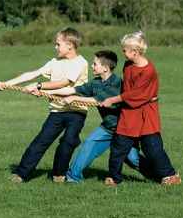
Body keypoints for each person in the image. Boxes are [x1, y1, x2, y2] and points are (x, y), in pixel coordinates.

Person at [0, 26, 88, 183]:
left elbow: (63, 83)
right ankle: (21, 174)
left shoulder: (80, 63)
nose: (55, 47)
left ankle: (59, 173)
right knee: (41, 140)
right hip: (57, 111)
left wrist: (39, 86)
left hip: (76, 111)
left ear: (69, 45)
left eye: (58, 44)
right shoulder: (54, 62)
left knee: (68, 141)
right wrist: (6, 84)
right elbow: (32, 74)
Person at [44, 50, 141, 182]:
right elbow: (70, 90)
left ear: (106, 68)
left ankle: (159, 175)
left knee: (132, 159)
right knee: (89, 144)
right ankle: (74, 178)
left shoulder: (116, 82)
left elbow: (99, 101)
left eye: (95, 64)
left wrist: (74, 98)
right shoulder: (95, 83)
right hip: (108, 127)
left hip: (123, 128)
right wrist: (41, 89)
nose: (92, 66)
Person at [101, 31, 180, 186]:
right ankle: (114, 178)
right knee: (119, 147)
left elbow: (135, 94)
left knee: (152, 148)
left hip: (146, 114)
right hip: (129, 113)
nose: (123, 53)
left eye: (125, 50)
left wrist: (111, 100)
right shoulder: (128, 65)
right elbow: (127, 90)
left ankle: (171, 175)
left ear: (135, 52)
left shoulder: (148, 71)